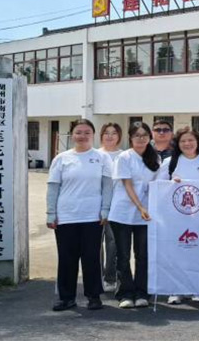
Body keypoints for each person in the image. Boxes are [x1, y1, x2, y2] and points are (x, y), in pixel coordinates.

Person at [46, 119, 113, 311]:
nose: (82, 136)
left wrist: (105, 210)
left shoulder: (102, 158)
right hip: (66, 216)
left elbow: (107, 186)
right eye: (78, 132)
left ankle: (94, 296)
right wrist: (51, 213)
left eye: (86, 132)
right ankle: (66, 297)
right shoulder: (61, 158)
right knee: (67, 258)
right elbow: (53, 187)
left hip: (93, 217)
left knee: (91, 258)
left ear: (93, 135)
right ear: (72, 134)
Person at [156, 126, 199, 304]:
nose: (187, 144)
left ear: (198, 141)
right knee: (177, 253)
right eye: (183, 141)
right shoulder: (170, 162)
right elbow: (158, 186)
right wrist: (171, 183)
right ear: (177, 144)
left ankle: (198, 288)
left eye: (191, 140)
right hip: (176, 217)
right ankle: (176, 290)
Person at [109, 122, 160, 309]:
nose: (141, 138)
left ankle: (141, 292)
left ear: (149, 137)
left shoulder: (155, 158)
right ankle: (125, 293)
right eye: (137, 135)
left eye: (144, 135)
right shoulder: (124, 157)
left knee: (143, 255)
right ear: (130, 138)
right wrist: (140, 206)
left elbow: (158, 184)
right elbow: (127, 184)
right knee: (123, 255)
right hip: (123, 212)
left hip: (146, 215)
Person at [98, 123, 122, 293]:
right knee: (96, 244)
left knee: (113, 243)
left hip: (116, 206)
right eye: (106, 133)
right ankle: (97, 277)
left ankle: (110, 277)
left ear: (119, 136)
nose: (110, 136)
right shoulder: (96, 155)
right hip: (96, 205)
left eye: (114, 133)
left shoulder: (124, 156)